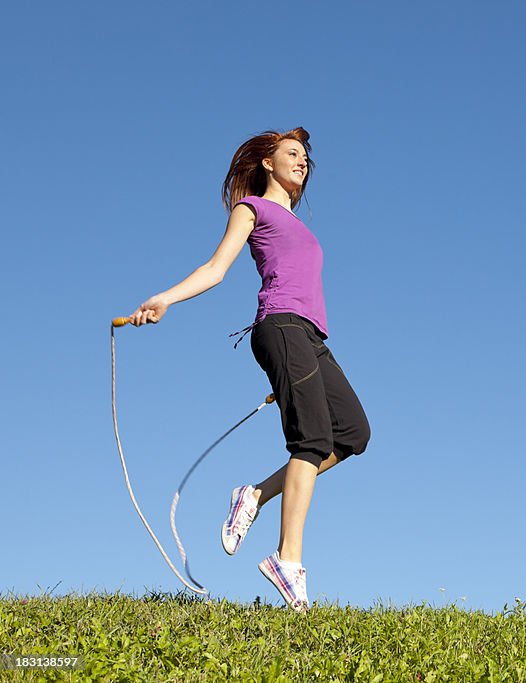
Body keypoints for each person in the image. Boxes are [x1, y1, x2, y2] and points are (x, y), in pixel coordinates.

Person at [126, 127, 371, 612]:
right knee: (312, 441)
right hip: (279, 328)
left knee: (352, 433)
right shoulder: (252, 209)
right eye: (292, 154)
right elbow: (216, 268)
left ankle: (254, 494)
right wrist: (165, 299)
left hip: (308, 339)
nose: (302, 162)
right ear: (266, 162)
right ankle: (288, 560)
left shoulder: (299, 223)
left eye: (306, 157)